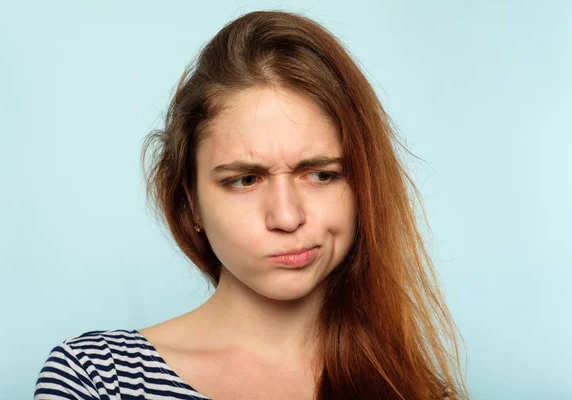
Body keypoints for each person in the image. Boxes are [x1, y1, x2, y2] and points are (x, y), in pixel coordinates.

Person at [34, 10, 468, 400]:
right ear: (191, 203)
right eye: (245, 180)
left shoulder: (415, 390)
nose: (287, 216)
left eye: (321, 174)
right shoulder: (97, 379)